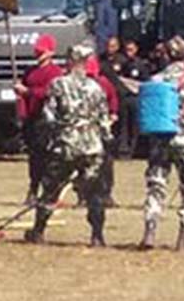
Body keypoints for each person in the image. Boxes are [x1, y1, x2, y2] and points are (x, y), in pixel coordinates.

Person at [25, 44, 112, 246]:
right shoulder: (96, 87)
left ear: (70, 61)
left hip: (66, 145)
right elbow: (104, 120)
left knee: (51, 189)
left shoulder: (58, 84)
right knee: (94, 193)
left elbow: (48, 115)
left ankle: (38, 231)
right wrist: (104, 139)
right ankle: (97, 236)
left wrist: (55, 134)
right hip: (92, 147)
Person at [140, 36, 184, 252]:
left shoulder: (156, 79)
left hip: (159, 139)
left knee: (156, 184)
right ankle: (183, 237)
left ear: (165, 56)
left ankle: (150, 231)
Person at [14, 34, 63, 204]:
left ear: (50, 53)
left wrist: (28, 91)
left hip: (48, 119)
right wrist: (22, 111)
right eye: (37, 52)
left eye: (42, 52)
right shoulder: (30, 71)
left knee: (48, 157)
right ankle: (33, 189)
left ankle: (49, 191)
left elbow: (49, 92)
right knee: (34, 157)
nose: (38, 55)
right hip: (32, 119)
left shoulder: (55, 72)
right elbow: (23, 94)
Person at [103, 38, 151, 157]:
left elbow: (145, 81)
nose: (128, 53)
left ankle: (134, 149)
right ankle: (122, 150)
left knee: (134, 125)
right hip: (122, 98)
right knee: (122, 124)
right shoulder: (120, 62)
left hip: (135, 97)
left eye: (131, 50)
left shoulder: (140, 64)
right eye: (127, 50)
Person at [84, 54, 120, 208]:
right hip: (84, 129)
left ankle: (106, 194)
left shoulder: (104, 83)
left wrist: (113, 113)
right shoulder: (77, 84)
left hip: (102, 128)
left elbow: (113, 99)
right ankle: (84, 195)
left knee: (105, 162)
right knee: (84, 163)